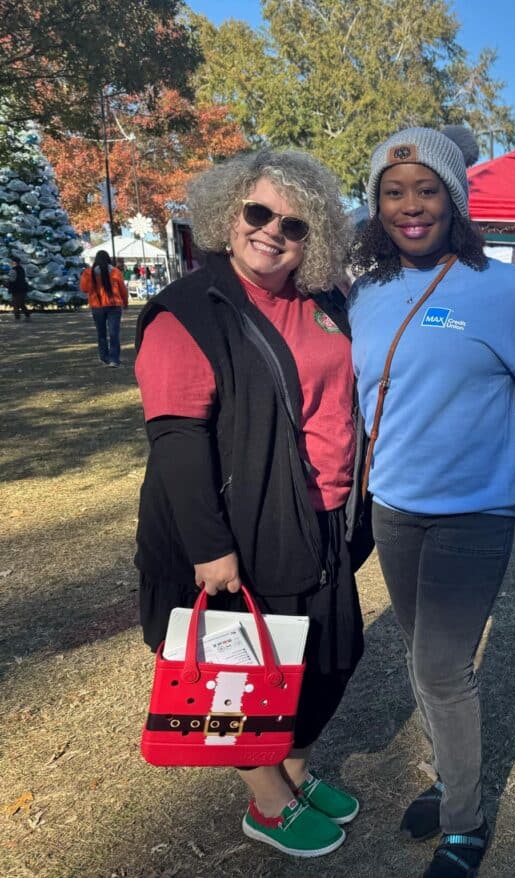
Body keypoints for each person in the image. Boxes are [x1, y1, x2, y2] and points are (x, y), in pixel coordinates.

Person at [348, 125, 515, 878]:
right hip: (394, 506)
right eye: (393, 192)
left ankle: (465, 823)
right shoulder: (366, 293)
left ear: (455, 200)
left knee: (442, 667)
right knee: (421, 658)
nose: (411, 206)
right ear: (376, 205)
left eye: (427, 190)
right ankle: (448, 779)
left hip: (475, 511)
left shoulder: (504, 290)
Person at [134, 149, 363, 858]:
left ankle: (291, 771)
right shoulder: (188, 313)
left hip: (319, 515)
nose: (272, 232)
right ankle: (267, 803)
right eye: (257, 212)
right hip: (241, 526)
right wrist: (210, 548)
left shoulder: (323, 301)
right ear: (226, 215)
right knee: (241, 676)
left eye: (294, 225)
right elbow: (177, 442)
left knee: (328, 658)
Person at [80, 250, 129, 366]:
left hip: (97, 306)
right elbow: (123, 289)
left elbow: (83, 288)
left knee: (101, 333)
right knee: (114, 333)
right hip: (114, 305)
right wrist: (125, 302)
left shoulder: (88, 273)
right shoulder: (115, 272)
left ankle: (104, 357)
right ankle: (114, 359)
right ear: (108, 259)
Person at [7, 255, 30, 320]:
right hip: (23, 288)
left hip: (16, 289)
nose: (11, 263)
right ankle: (27, 314)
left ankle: (17, 317)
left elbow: (12, 280)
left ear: (14, 262)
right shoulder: (21, 269)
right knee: (21, 303)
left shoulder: (13, 270)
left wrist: (6, 280)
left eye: (12, 262)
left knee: (16, 303)